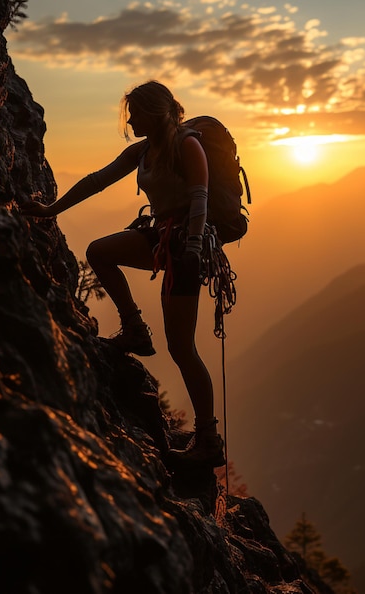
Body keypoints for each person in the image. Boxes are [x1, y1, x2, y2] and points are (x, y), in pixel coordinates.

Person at [21, 80, 224, 467]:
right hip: (164, 237)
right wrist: (51, 209)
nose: (130, 120)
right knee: (99, 251)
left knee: (182, 349)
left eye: (135, 112)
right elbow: (98, 180)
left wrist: (194, 251)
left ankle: (208, 441)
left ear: (153, 112)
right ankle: (134, 328)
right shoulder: (145, 151)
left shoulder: (187, 145)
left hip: (186, 248)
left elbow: (201, 198)